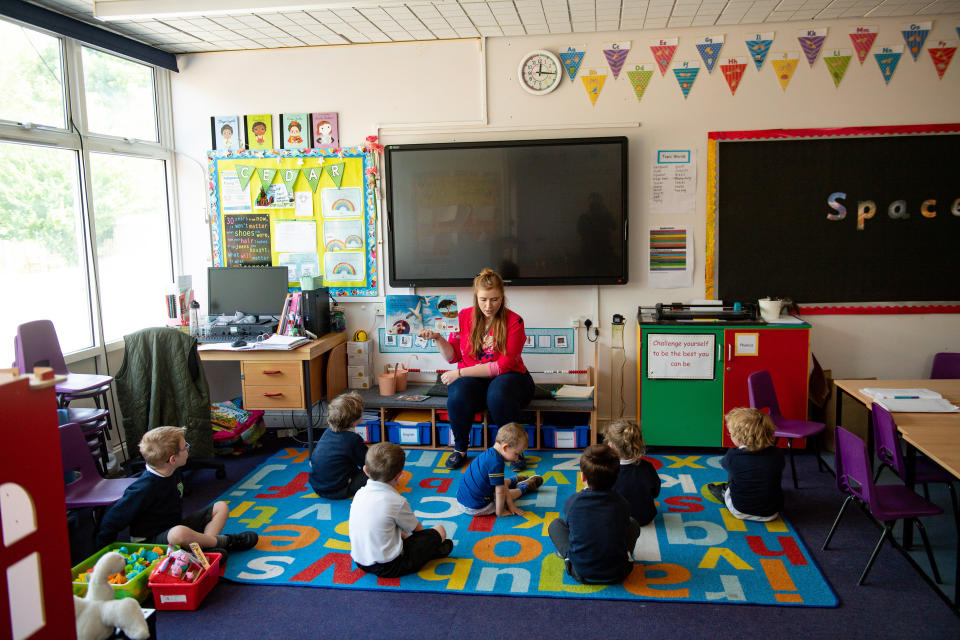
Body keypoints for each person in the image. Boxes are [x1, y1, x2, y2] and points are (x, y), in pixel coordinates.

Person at [418, 268, 535, 470]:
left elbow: (501, 366)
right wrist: (438, 338)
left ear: (503, 297)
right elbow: (452, 357)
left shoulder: (515, 321)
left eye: (495, 299)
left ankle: (513, 450)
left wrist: (460, 372)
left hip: (512, 379)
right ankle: (460, 449)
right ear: (476, 298)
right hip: (476, 383)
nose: (489, 306)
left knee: (497, 393)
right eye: (483, 300)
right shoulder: (462, 316)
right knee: (458, 394)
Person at [97, 426, 258, 555]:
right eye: (185, 447)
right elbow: (111, 522)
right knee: (179, 533)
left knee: (220, 507)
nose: (188, 448)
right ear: (173, 459)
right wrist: (104, 557)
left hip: (173, 528)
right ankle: (225, 541)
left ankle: (205, 551)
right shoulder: (142, 489)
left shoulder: (173, 472)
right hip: (150, 543)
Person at [349, 442, 453, 577]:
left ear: (365, 470)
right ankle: (429, 553)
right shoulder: (396, 501)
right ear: (399, 475)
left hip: (360, 561)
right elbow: (418, 531)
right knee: (440, 531)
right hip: (390, 566)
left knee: (393, 526)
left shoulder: (360, 493)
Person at [548, 443, 639, 584]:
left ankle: (567, 556)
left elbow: (572, 528)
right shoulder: (622, 503)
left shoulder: (572, 502)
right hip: (619, 571)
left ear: (582, 476)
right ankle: (625, 554)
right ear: (616, 476)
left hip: (580, 571)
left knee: (555, 525)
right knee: (633, 523)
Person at [707, 407, 785, 521]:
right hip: (772, 512)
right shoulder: (778, 453)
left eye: (731, 434)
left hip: (740, 510)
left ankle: (724, 492)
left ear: (740, 437)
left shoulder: (733, 456)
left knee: (734, 473)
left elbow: (725, 465)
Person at [455, 422, 543, 517]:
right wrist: (501, 511)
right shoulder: (497, 464)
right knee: (503, 495)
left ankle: (514, 480)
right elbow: (500, 492)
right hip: (474, 508)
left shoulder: (489, 453)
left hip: (461, 498)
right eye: (517, 454)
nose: (518, 458)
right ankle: (524, 487)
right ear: (505, 447)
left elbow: (499, 485)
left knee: (498, 482)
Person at [308, 391, 368, 499]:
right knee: (377, 474)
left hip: (317, 486)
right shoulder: (353, 439)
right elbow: (368, 463)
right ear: (355, 419)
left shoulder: (327, 432)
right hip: (339, 489)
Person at [603, 419, 661, 526]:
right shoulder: (648, 467)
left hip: (617, 520)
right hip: (644, 517)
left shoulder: (606, 470)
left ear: (611, 447)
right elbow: (655, 492)